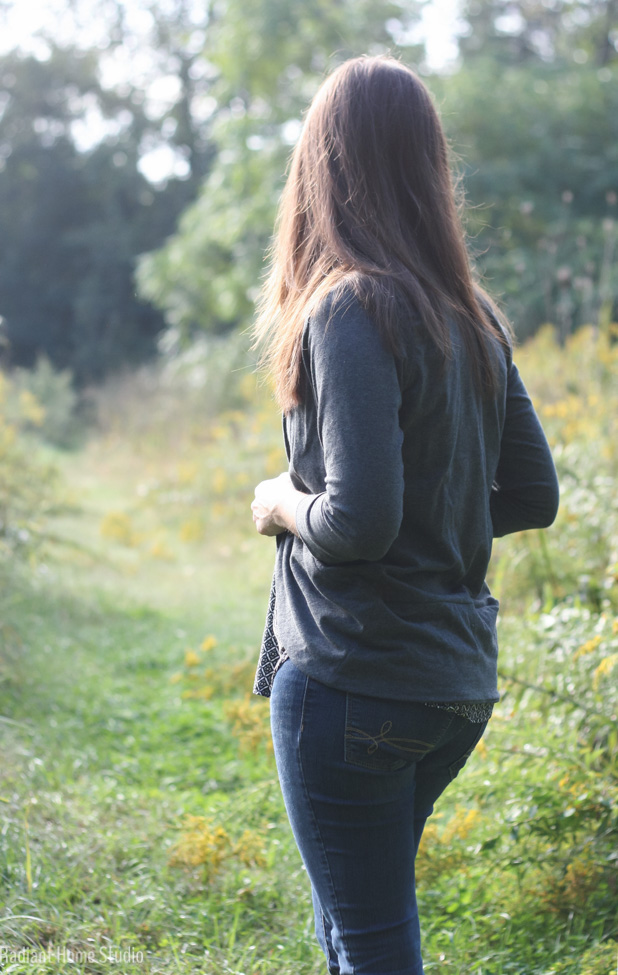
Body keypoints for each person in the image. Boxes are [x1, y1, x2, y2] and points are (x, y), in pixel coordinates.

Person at [249, 55, 559, 975]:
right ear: (428, 167)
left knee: (371, 941)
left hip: (355, 677)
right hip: (452, 684)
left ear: (322, 164)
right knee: (355, 921)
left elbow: (359, 523)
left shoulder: (347, 306)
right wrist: (439, 521)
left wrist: (280, 503)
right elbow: (532, 495)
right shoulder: (473, 316)